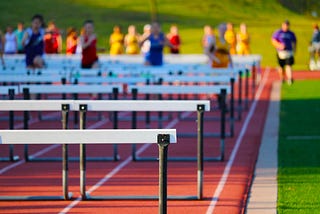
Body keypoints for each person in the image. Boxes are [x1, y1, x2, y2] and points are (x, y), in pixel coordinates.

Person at [271, 20, 297, 85]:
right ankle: (282, 78)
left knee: (288, 65)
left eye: (287, 25)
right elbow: (273, 40)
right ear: (282, 25)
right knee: (281, 67)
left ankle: (290, 78)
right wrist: (279, 45)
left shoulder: (291, 33)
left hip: (289, 52)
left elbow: (294, 42)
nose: (286, 26)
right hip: (281, 52)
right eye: (285, 25)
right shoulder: (278, 32)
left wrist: (294, 49)